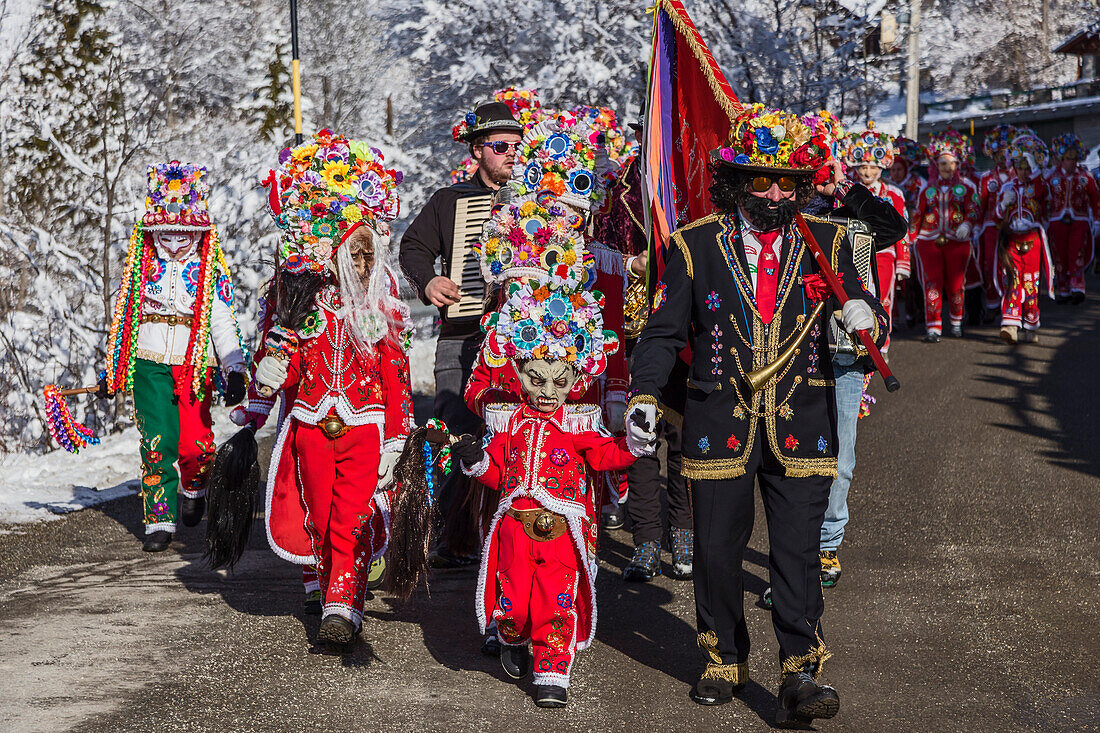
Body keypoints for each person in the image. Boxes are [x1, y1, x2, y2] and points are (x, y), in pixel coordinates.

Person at [626, 104, 888, 726]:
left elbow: (862, 301)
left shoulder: (829, 240)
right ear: (737, 180)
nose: (775, 194)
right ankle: (723, 656)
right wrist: (642, 395)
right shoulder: (693, 245)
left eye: (788, 183)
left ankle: (801, 669)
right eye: (762, 180)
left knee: (797, 553)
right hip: (720, 419)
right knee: (716, 550)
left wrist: (861, 319)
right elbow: (662, 333)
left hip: (803, 417)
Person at [451, 266, 644, 709]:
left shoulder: (579, 424)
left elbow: (607, 456)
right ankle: (514, 639)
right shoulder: (510, 423)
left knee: (556, 602)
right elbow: (497, 472)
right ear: (518, 373)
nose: (547, 392)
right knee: (515, 602)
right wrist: (474, 460)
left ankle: (553, 672)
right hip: (514, 530)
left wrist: (633, 443)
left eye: (560, 382)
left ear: (576, 382)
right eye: (536, 379)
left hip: (562, 529)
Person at [251, 131, 412, 648]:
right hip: (311, 424)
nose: (362, 267)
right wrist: (270, 376)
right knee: (318, 511)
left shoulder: (380, 309)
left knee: (351, 514)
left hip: (364, 425)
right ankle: (322, 582)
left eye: (369, 258)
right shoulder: (301, 299)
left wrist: (395, 436)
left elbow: (396, 372)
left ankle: (344, 604)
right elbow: (284, 351)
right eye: (354, 257)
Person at [99, 161, 247, 552]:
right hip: (148, 362)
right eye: (168, 231)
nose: (176, 239)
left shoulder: (209, 268)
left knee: (194, 444)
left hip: (194, 362)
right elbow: (123, 319)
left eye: (184, 232)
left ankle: (195, 487)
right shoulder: (140, 265)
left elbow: (221, 319)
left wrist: (234, 368)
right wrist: (111, 371)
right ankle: (158, 520)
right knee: (157, 440)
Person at [400, 101, 523, 567]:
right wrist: (428, 281)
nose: (511, 154)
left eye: (516, 146)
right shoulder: (450, 202)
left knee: (514, 437)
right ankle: (452, 537)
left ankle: (508, 533)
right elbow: (412, 247)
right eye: (500, 147)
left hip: (522, 344)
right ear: (477, 150)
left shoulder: (538, 202)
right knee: (455, 430)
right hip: (463, 334)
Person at [595, 120, 693, 581]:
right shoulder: (621, 193)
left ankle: (684, 535)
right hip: (637, 327)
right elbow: (600, 250)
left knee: (684, 440)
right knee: (640, 438)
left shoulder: (696, 187)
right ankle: (648, 542)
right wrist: (630, 264)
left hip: (689, 328)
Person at [838, 122, 910, 355]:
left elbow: (903, 230)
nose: (867, 173)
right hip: (853, 252)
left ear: (882, 167)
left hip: (883, 254)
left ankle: (882, 345)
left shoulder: (894, 193)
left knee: (883, 298)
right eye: (863, 167)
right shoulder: (846, 191)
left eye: (872, 168)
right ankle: (859, 342)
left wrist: (903, 263)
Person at [909, 130, 981, 342]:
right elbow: (918, 215)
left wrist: (968, 224)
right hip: (929, 241)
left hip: (958, 241)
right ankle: (933, 326)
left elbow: (974, 208)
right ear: (935, 166)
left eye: (951, 164)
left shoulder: (967, 186)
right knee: (932, 283)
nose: (947, 168)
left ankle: (957, 321)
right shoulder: (926, 189)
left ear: (957, 165)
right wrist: (910, 239)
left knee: (956, 284)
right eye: (942, 164)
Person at [995, 135, 1053, 344]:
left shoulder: (1039, 185)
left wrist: (1035, 170)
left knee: (1030, 282)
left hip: (1032, 240)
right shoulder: (1006, 187)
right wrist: (1003, 205)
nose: (1023, 171)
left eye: (1027, 167)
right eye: (1019, 166)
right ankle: (1010, 324)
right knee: (1011, 280)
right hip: (1011, 240)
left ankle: (1030, 324)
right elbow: (997, 215)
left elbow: (1043, 195)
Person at [1045, 132, 1099, 304]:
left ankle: (1077, 287)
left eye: (1074, 158)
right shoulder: (1050, 177)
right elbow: (1041, 199)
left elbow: (1095, 199)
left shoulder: (1085, 177)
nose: (1071, 162)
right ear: (1061, 158)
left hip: (1079, 220)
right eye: (1068, 158)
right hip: (1056, 221)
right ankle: (1063, 289)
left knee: (1076, 253)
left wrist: (1097, 221)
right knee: (1059, 255)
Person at [976, 125, 1018, 318]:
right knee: (990, 264)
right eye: (998, 153)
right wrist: (976, 227)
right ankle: (993, 303)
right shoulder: (986, 178)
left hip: (1014, 227)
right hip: (991, 227)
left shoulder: (1018, 176)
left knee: (1012, 264)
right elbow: (981, 205)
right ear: (992, 154)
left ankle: (1012, 302)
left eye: (1007, 152)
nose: (1003, 157)